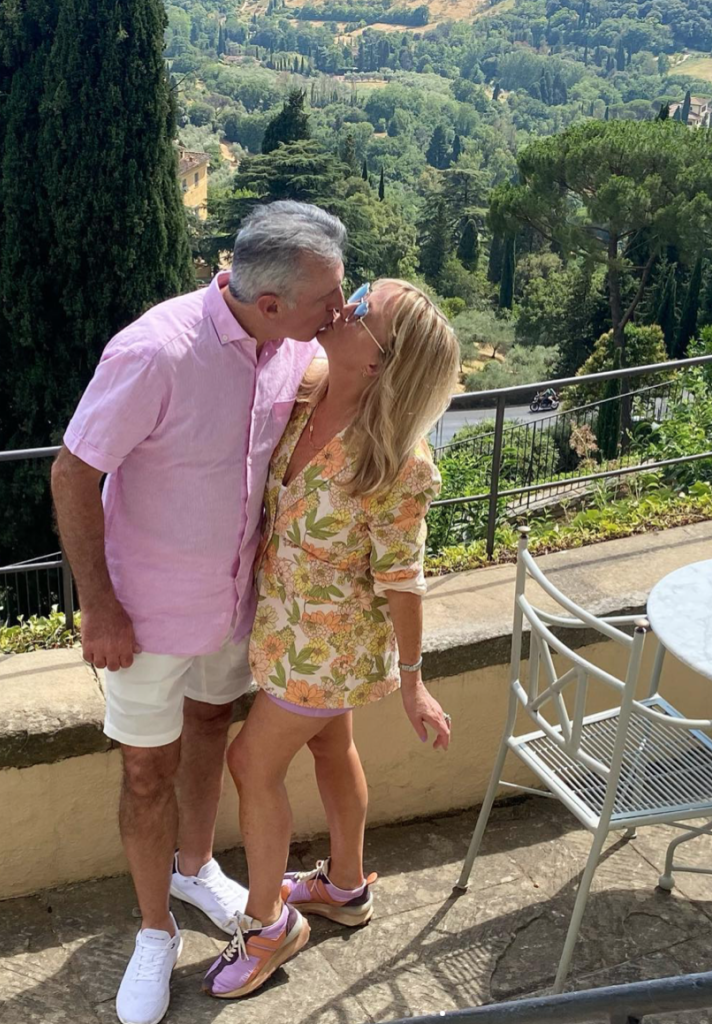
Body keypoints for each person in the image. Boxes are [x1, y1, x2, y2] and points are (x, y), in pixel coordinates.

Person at [51, 201, 348, 1024]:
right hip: (141, 617)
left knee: (212, 726)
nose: (341, 308)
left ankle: (192, 866)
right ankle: (154, 933)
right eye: (331, 296)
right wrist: (99, 608)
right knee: (145, 772)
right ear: (271, 303)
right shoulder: (155, 351)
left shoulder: (290, 348)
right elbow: (73, 474)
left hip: (233, 605)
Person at [201, 279, 459, 1000]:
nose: (349, 300)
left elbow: (404, 579)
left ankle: (268, 924)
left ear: (379, 359)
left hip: (329, 651)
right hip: (289, 630)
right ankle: (345, 888)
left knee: (250, 764)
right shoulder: (313, 388)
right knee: (328, 745)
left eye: (365, 302)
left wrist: (413, 680)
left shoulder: (398, 460)